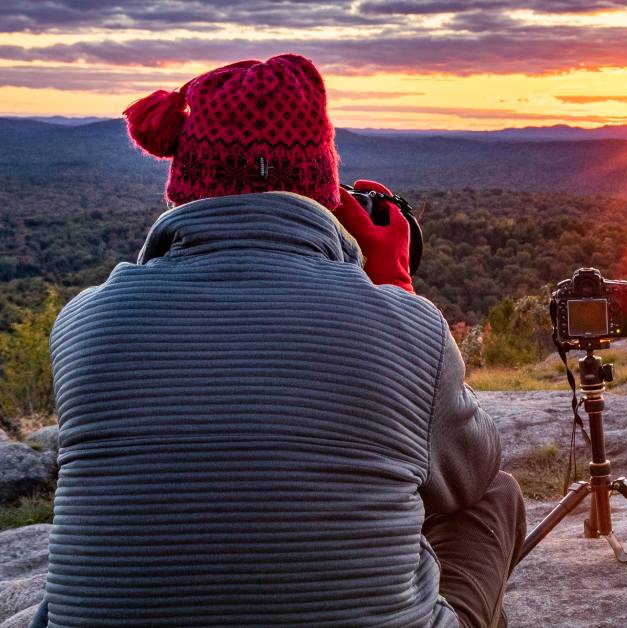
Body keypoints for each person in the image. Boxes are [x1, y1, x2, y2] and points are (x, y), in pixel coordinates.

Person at [32, 54, 525, 627]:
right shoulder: (408, 326)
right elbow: (471, 471)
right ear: (326, 192)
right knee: (495, 495)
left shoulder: (82, 322)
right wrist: (394, 288)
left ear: (180, 188)